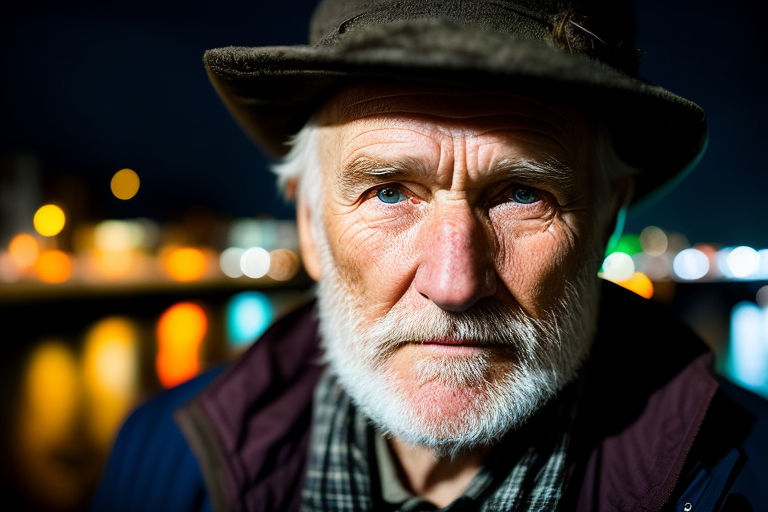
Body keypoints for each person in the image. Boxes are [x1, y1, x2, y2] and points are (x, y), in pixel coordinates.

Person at [92, 0, 768, 510]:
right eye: (389, 191)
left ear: (605, 221)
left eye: (522, 193)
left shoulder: (744, 472)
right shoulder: (161, 455)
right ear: (309, 224)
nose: (453, 281)